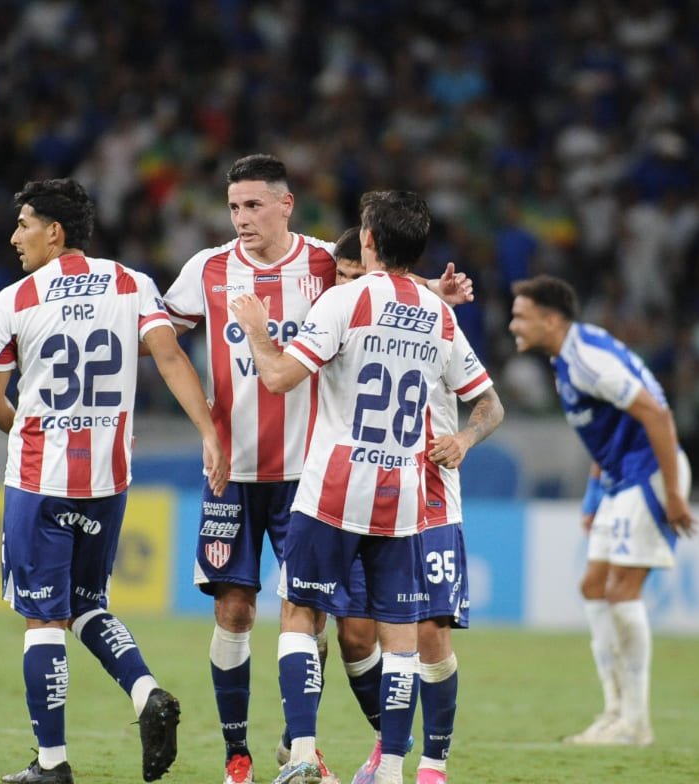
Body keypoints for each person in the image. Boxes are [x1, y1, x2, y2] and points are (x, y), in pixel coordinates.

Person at [162, 155, 471, 784]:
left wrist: (432, 295)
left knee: (340, 626)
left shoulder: (322, 263)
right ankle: (238, 757)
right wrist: (206, 429)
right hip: (235, 467)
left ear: (285, 205)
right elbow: (162, 343)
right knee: (235, 612)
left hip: (314, 474)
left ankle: (312, 749)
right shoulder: (206, 270)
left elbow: (379, 290)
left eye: (253, 205)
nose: (241, 218)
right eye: (233, 207)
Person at [230, 190, 493, 784]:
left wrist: (254, 330)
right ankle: (394, 768)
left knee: (300, 612)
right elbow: (479, 391)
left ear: (368, 240)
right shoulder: (438, 315)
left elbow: (276, 378)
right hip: (403, 491)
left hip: (333, 486)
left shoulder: (343, 301)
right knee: (400, 635)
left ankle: (300, 754)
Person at [0, 178, 230, 784]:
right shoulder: (132, 284)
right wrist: (209, 430)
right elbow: (170, 356)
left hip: (39, 478)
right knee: (88, 604)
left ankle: (53, 764)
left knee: (43, 620)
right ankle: (145, 692)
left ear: (54, 232)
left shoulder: (14, 299)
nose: (15, 238)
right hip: (108, 479)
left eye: (25, 224)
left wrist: (28, 437)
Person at [315, 229, 504, 784]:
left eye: (359, 273)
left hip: (429, 497)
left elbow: (490, 405)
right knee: (353, 634)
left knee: (428, 635)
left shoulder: (433, 321)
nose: (353, 284)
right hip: (358, 494)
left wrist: (465, 441)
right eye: (342, 277)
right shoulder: (337, 317)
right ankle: (386, 742)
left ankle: (431, 766)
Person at [508, 274, 697, 747]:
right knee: (594, 584)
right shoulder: (568, 356)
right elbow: (605, 432)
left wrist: (673, 494)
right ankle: (614, 712)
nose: (513, 323)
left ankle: (635, 723)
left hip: (650, 472)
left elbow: (656, 414)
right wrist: (595, 496)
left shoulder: (588, 360)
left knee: (621, 590)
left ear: (551, 318)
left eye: (521, 315)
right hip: (619, 479)